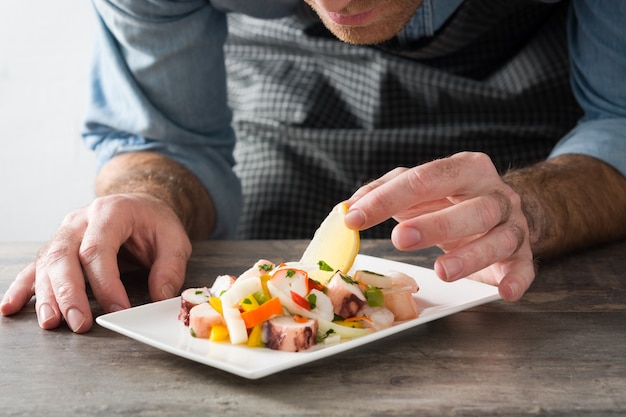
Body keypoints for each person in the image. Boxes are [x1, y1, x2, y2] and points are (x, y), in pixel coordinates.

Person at [1, 0, 625, 333]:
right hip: (283, 115)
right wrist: (146, 194)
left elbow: (620, 120)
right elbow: (166, 137)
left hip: (537, 133)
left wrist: (534, 209)